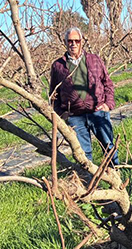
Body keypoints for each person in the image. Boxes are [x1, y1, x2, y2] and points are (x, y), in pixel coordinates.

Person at [49, 27, 120, 165]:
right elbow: (53, 94)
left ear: (82, 42)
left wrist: (108, 105)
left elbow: (108, 83)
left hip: (98, 112)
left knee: (108, 147)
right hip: (75, 117)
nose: (73, 44)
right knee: (83, 153)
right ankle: (89, 182)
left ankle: (115, 176)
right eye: (70, 41)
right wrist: (62, 114)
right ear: (65, 42)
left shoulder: (94, 60)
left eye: (77, 40)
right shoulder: (58, 66)